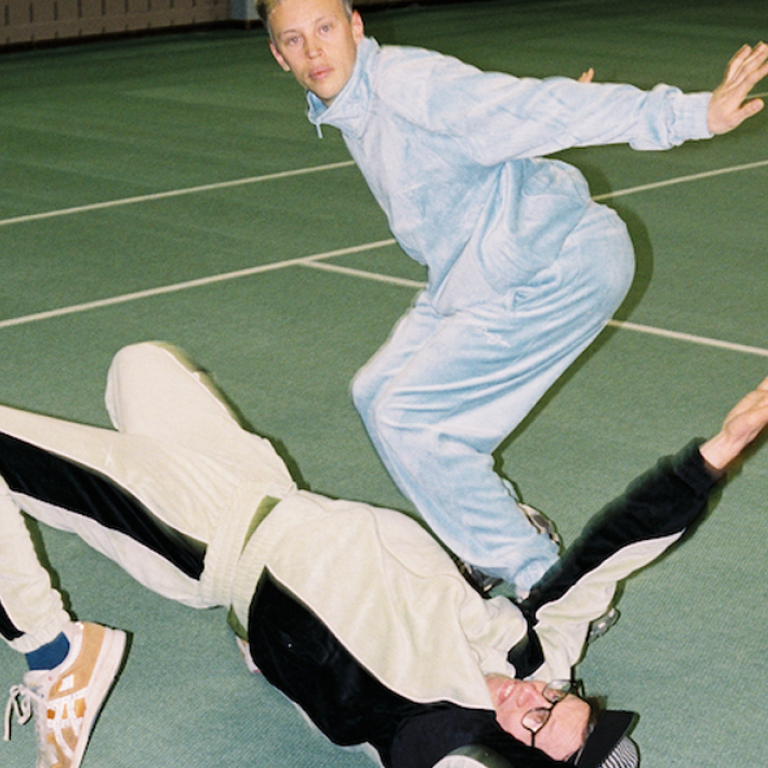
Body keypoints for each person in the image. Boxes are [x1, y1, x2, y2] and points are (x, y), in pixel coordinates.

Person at [2, 341, 768, 768]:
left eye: (535, 728)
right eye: (558, 705)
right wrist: (713, 457)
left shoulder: (435, 730)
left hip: (206, 536)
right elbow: (610, 552)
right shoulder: (536, 655)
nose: (531, 702)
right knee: (139, 364)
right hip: (259, 481)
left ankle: (52, 648)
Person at [256, 0, 768, 597]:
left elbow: (535, 106)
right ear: (277, 54)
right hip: (479, 273)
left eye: (325, 29)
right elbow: (484, 145)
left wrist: (692, 113)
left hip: (557, 264)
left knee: (411, 418)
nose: (314, 51)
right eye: (294, 40)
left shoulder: (407, 83)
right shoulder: (351, 104)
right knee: (374, 394)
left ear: (355, 26)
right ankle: (494, 539)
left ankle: (547, 585)